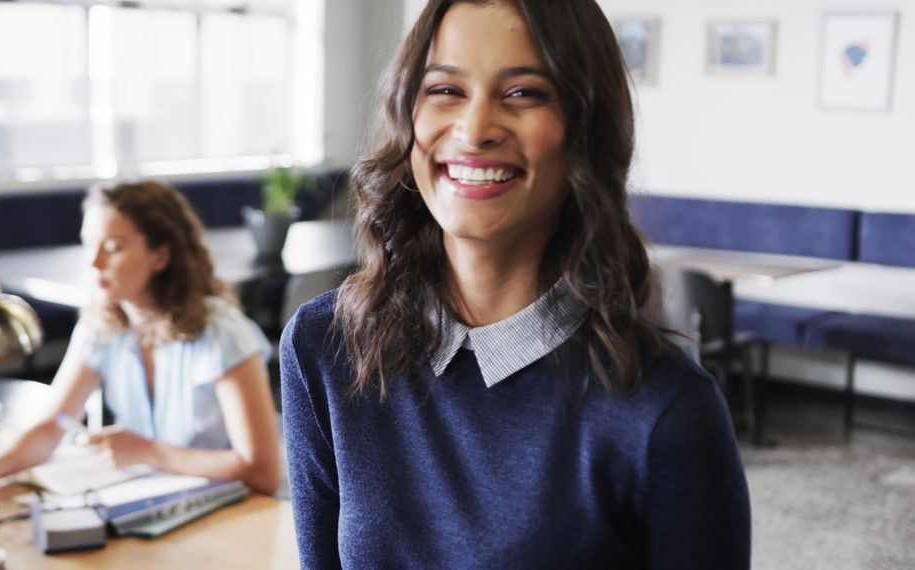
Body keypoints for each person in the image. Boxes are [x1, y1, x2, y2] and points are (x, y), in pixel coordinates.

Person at [280, 0, 750, 568]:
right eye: (445, 90)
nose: (474, 130)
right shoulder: (323, 345)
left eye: (523, 92)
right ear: (408, 116)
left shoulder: (664, 410)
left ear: (586, 128)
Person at [0, 179, 282, 496]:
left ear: (160, 256)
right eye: (89, 244)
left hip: (232, 512)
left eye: (113, 247)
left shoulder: (222, 333)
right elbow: (50, 426)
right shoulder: (101, 325)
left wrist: (150, 451)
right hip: (150, 503)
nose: (93, 264)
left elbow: (262, 472)